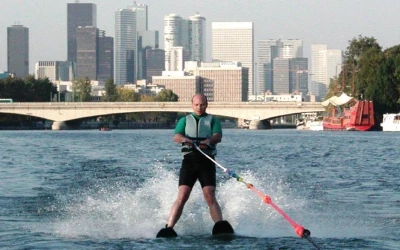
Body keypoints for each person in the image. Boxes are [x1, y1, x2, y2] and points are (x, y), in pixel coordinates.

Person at [156, 93, 233, 237]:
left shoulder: (213, 121)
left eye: (202, 104)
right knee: (183, 196)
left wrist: (209, 141)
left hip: (207, 161)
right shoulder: (184, 120)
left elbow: (218, 136)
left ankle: (220, 225)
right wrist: (186, 140)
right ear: (192, 105)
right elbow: (176, 136)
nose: (199, 107)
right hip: (189, 162)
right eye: (196, 105)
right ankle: (169, 227)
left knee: (209, 194)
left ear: (206, 105)